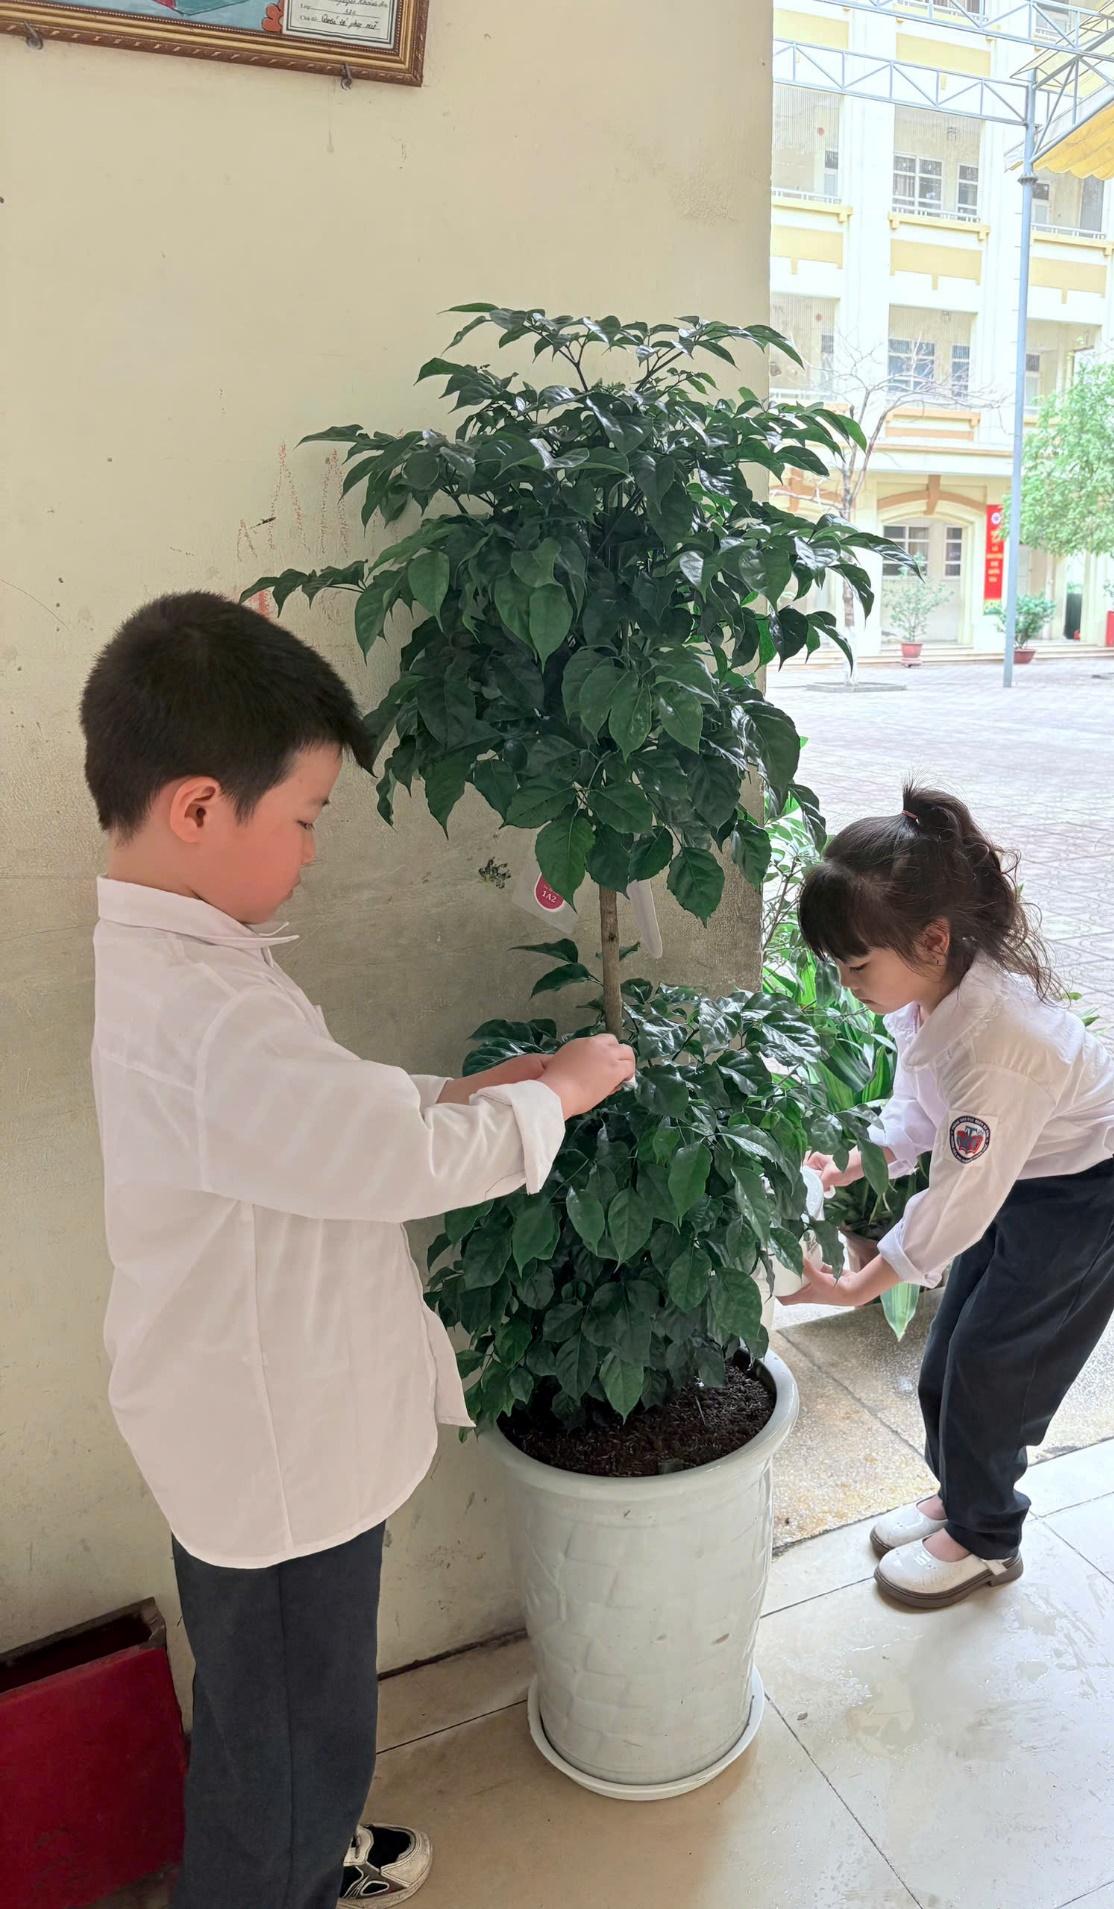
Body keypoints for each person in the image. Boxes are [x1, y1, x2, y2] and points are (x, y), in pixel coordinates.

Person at [81, 593, 634, 1907]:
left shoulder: (191, 962)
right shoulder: (206, 1015)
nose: (315, 852)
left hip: (259, 1422)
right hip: (278, 1461)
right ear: (203, 807)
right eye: (308, 818)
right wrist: (552, 1096)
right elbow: (386, 1157)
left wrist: (460, 1089)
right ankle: (279, 1875)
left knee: (287, 1707)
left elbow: (323, 1120)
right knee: (284, 1725)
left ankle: (304, 1842)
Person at [785, 784, 1114, 1612]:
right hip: (1030, 1178)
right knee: (948, 1354)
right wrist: (862, 1155)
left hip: (1091, 1193)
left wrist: (857, 1284)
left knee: (995, 1369)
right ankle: (961, 1496)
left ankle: (988, 1538)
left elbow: (958, 1203)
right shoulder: (934, 991)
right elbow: (926, 1105)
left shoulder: (999, 1044)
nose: (847, 983)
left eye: (855, 964)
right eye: (837, 966)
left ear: (932, 936)